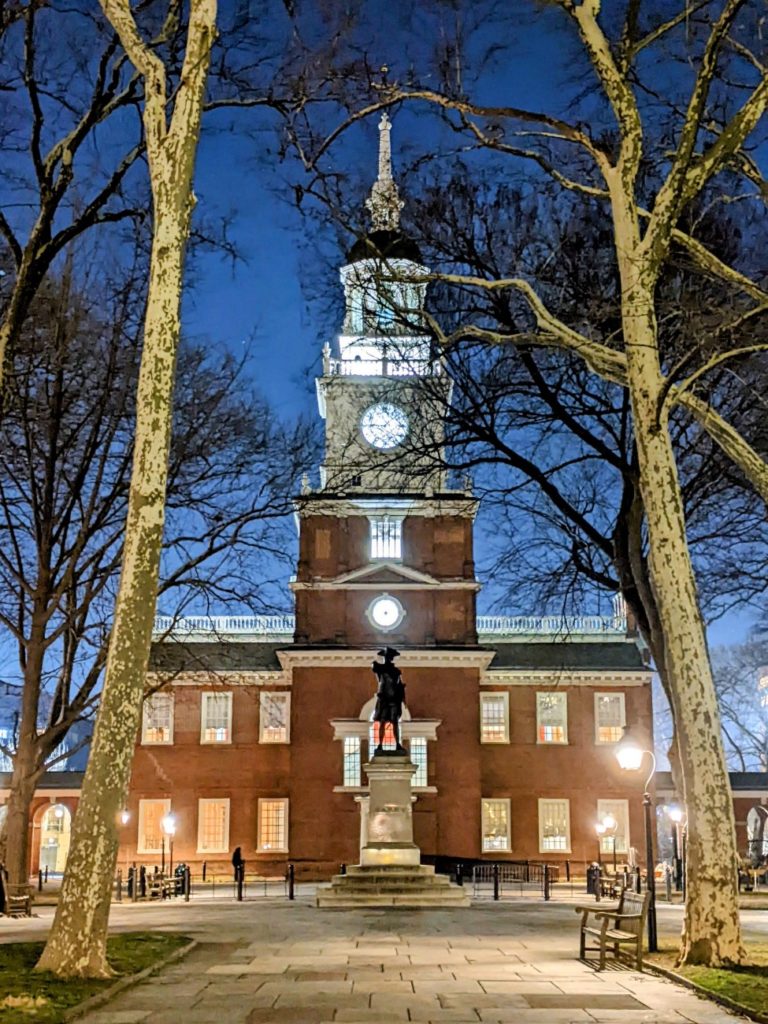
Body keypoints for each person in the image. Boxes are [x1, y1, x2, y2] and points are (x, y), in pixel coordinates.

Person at [372, 647, 406, 753]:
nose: (388, 659)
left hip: (393, 700)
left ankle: (397, 744)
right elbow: (376, 672)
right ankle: (380, 745)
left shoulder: (396, 672)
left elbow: (398, 686)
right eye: (386, 656)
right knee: (382, 722)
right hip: (384, 699)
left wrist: (401, 692)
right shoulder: (380, 669)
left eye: (389, 657)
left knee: (394, 722)